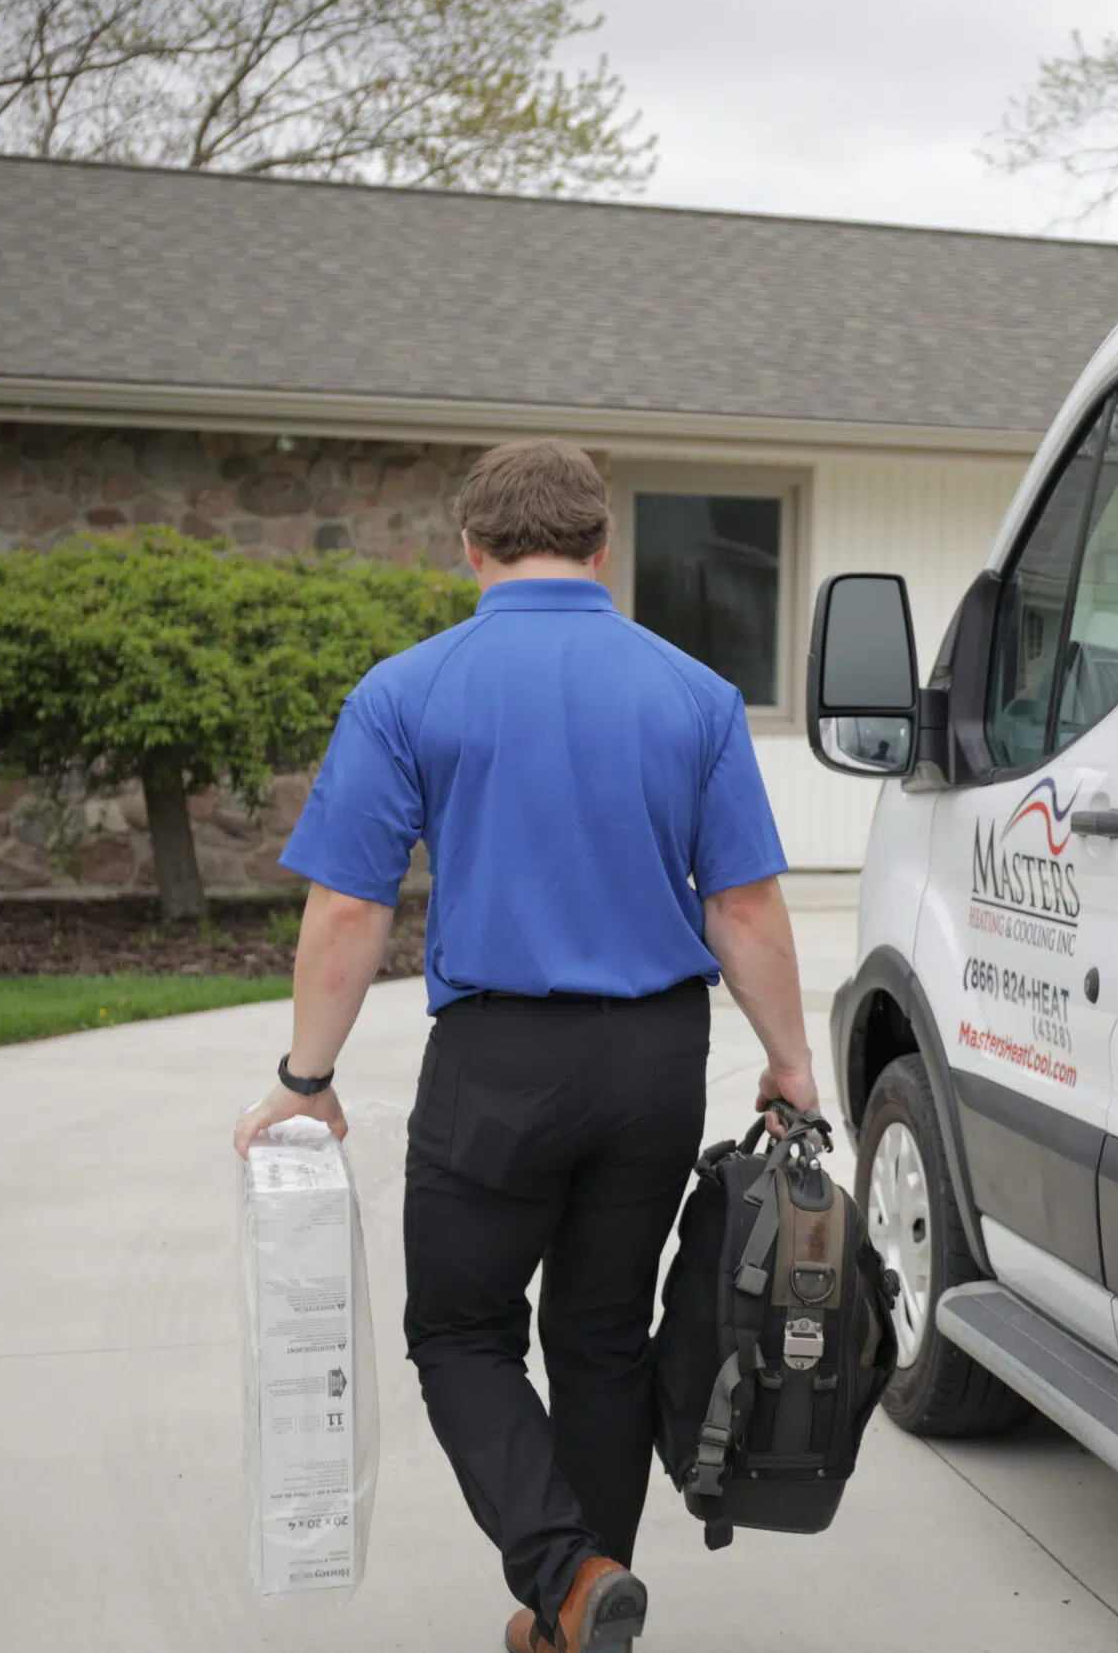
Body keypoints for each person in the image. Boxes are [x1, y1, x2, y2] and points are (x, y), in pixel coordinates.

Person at [232, 437, 819, 1653]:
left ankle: (561, 1574)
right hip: (655, 1064)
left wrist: (307, 1081)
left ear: (470, 547)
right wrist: (789, 1061)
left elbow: (351, 904)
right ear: (603, 548)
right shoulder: (696, 695)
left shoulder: (410, 689)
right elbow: (745, 906)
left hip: (498, 1071)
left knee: (458, 1330)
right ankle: (575, 1617)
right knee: (603, 1337)